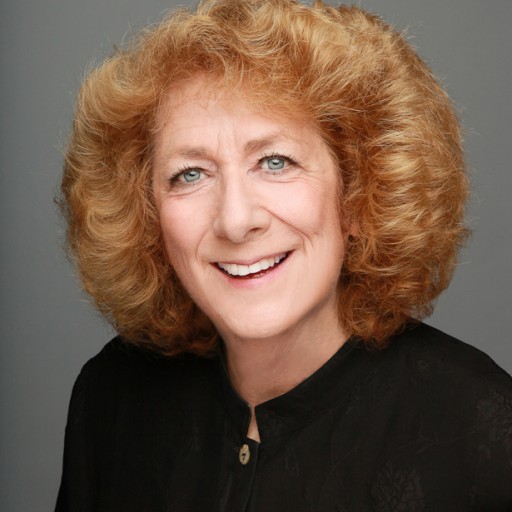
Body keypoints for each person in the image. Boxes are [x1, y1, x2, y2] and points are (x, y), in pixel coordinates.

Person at [55, 0, 512, 510]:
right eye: (190, 174)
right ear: (146, 213)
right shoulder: (112, 395)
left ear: (359, 193)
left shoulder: (482, 431)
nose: (235, 220)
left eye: (275, 162)